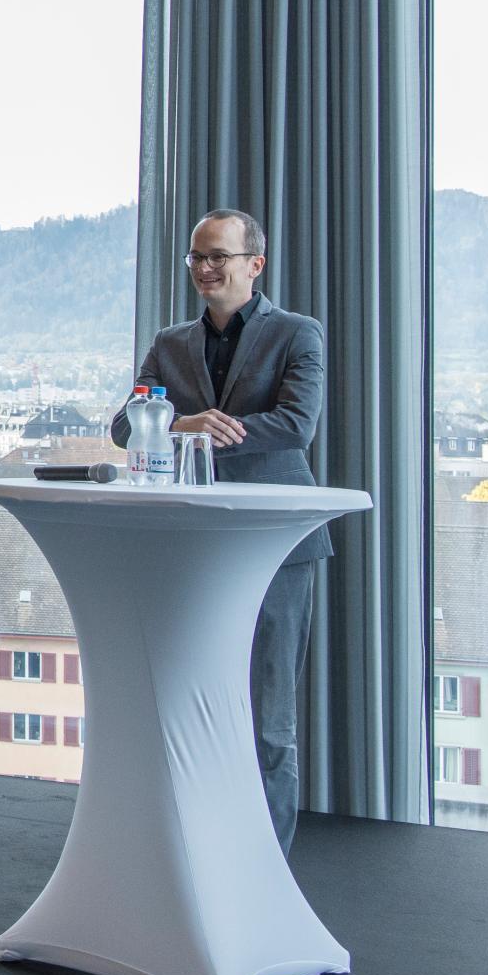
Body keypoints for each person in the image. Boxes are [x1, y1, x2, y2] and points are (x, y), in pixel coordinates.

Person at [109, 208, 328, 853]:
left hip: (278, 542)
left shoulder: (297, 334)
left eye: (219, 258)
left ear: (254, 265)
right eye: (197, 258)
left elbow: (296, 426)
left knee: (270, 717)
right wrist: (179, 426)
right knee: (195, 703)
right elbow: (126, 426)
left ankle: (270, 861)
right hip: (194, 543)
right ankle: (201, 849)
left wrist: (212, 431)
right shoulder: (170, 343)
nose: (205, 269)